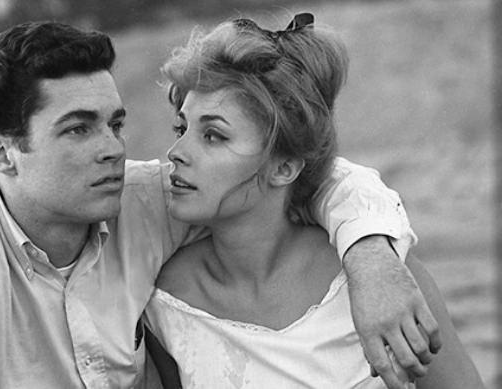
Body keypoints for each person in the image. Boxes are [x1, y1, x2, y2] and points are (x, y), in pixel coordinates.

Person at [0, 21, 435, 389]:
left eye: (115, 123)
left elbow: (309, 172)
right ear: (4, 154)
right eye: (78, 130)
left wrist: (372, 259)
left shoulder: (145, 199)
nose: (113, 148)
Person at [144, 13, 484, 388]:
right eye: (181, 128)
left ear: (284, 167)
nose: (175, 152)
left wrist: (370, 261)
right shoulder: (165, 302)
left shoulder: (384, 280)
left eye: (213, 136)